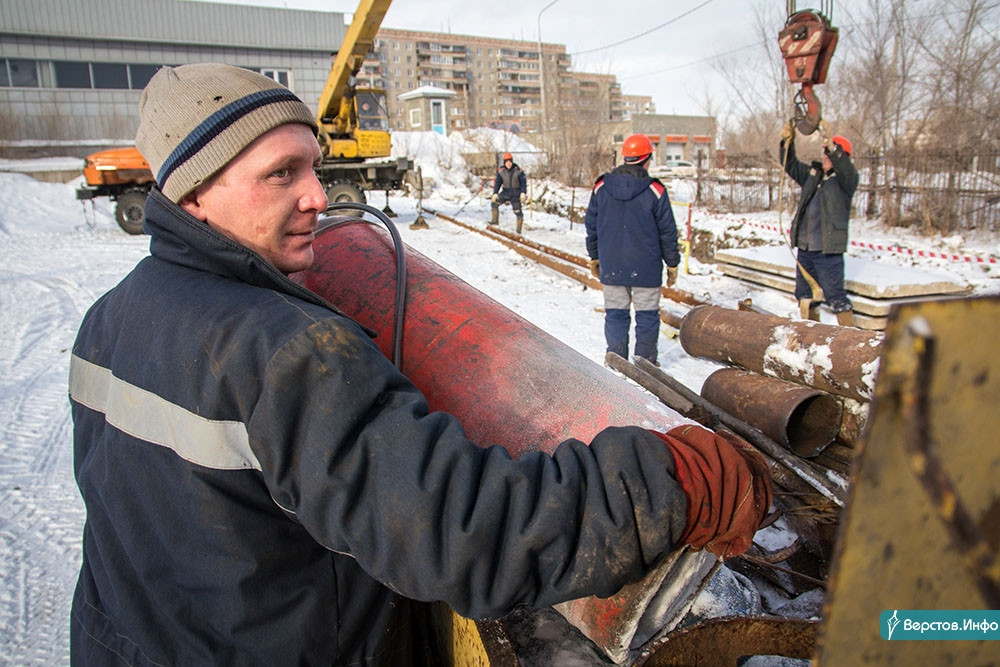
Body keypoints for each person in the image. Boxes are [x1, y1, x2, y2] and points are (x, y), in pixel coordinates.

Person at [68, 64, 771, 666]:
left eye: (313, 165)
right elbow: (468, 531)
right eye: (281, 174)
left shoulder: (107, 318)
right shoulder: (286, 350)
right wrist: (677, 480)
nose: (317, 195)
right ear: (193, 193)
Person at [585, 133, 680, 366]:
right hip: (646, 268)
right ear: (647, 159)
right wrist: (672, 262)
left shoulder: (601, 187)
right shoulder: (655, 190)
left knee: (616, 315)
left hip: (613, 265)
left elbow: (591, 225)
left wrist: (595, 257)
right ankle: (645, 365)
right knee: (647, 317)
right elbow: (667, 231)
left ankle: (616, 363)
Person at [780, 121, 859, 326]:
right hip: (806, 249)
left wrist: (833, 149)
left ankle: (850, 341)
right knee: (805, 295)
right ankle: (811, 335)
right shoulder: (813, 176)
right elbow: (790, 164)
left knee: (836, 297)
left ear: (842, 158)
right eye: (824, 153)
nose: (825, 157)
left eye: (829, 155)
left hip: (827, 251)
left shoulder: (846, 181)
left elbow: (845, 169)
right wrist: (787, 142)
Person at [490, 151, 528, 232]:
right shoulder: (501, 172)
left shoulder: (519, 171)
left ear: (512, 161)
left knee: (518, 211)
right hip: (505, 192)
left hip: (516, 193)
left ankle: (518, 230)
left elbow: (523, 183)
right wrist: (495, 193)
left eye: (510, 162)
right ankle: (494, 221)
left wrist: (523, 193)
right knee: (494, 203)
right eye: (507, 162)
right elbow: (497, 183)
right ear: (504, 163)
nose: (508, 164)